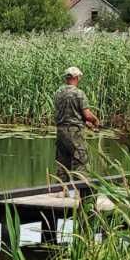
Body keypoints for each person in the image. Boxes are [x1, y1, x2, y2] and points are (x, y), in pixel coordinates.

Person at [52, 66, 100, 198]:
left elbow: (68, 114)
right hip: (74, 132)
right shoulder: (79, 93)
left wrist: (85, 123)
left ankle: (61, 190)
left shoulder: (58, 93)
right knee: (80, 160)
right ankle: (81, 192)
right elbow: (87, 114)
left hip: (61, 131)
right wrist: (95, 121)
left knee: (63, 160)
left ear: (66, 78)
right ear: (76, 77)